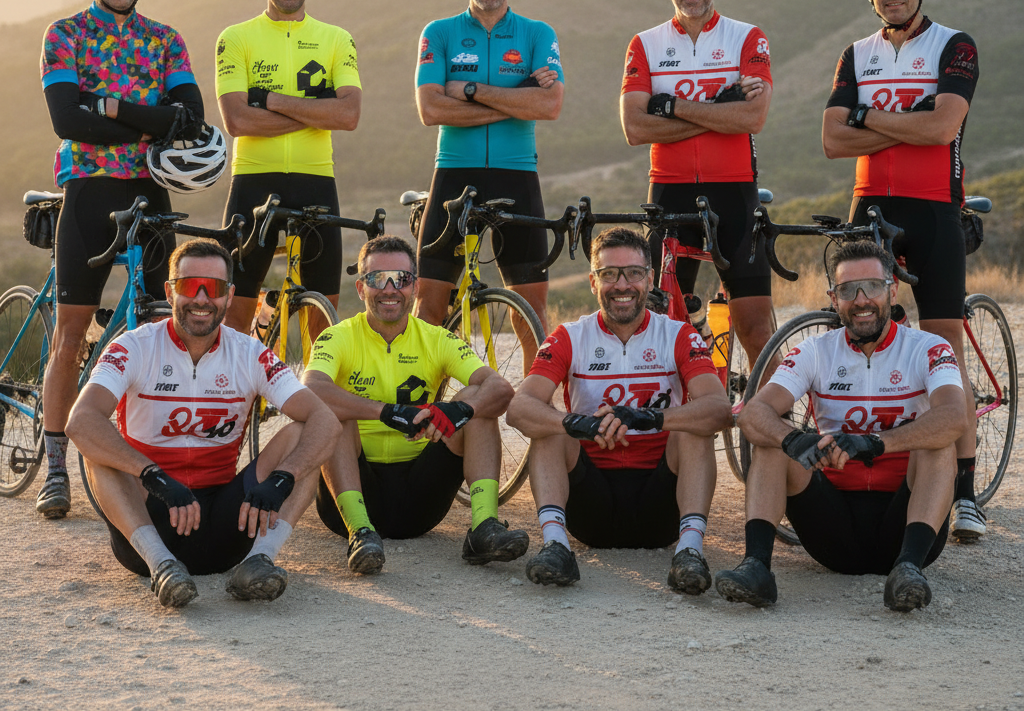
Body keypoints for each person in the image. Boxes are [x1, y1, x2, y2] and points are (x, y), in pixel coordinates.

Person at [65, 240, 339, 607]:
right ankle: (162, 567)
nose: (201, 298)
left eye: (213, 289)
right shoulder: (135, 346)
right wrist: (153, 475)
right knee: (95, 447)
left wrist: (282, 478)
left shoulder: (250, 353)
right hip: (151, 516)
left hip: (225, 526)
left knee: (306, 435)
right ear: (169, 291)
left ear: (229, 296)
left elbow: (326, 420)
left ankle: (260, 560)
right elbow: (80, 421)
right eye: (188, 286)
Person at [36, 0, 204, 520]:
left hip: (150, 194)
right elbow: (67, 121)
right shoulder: (65, 34)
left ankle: (158, 455)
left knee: (161, 323)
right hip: (86, 191)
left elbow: (190, 117)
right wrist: (148, 122)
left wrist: (109, 107)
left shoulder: (165, 40)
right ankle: (56, 466)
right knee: (72, 332)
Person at [822, 0, 983, 541]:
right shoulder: (855, 54)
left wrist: (869, 117)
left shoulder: (954, 46)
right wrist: (905, 122)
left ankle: (964, 491)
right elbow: (834, 141)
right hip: (869, 208)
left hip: (935, 208)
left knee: (943, 346)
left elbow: (943, 128)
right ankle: (866, 463)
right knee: (857, 333)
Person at [715, 241, 963, 612]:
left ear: (892, 290)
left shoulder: (928, 347)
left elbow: (955, 417)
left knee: (939, 442)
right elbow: (753, 413)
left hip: (907, 522)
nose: (861, 299)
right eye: (848, 290)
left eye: (873, 287)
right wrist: (795, 440)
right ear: (834, 298)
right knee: (771, 439)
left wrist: (876, 443)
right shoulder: (816, 350)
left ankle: (909, 569)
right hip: (834, 529)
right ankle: (756, 569)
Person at [506, 228, 731, 591]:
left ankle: (690, 551)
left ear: (649, 278)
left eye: (634, 273)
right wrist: (575, 423)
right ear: (593, 281)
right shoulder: (570, 336)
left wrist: (652, 418)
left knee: (694, 428)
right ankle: (556, 545)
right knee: (548, 427)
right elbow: (519, 409)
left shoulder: (678, 334)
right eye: (609, 274)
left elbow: (719, 408)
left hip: (661, 507)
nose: (622, 285)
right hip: (591, 506)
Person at [303, 234, 530, 573]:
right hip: (352, 490)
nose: (390, 289)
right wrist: (386, 412)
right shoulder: (338, 337)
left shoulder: (436, 338)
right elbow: (312, 389)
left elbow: (499, 389)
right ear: (360, 287)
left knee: (476, 400)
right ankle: (360, 532)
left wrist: (459, 411)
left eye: (402, 279)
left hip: (420, 499)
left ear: (415, 286)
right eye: (378, 279)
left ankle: (483, 527)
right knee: (335, 413)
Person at [619, 0, 775, 368]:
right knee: (659, 325)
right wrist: (718, 107)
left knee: (755, 329)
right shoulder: (644, 44)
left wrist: (670, 109)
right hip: (669, 194)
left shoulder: (747, 37)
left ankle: (774, 431)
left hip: (734, 192)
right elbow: (634, 126)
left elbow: (751, 119)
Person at [413, 0, 564, 343]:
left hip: (517, 175)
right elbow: (430, 109)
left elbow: (549, 106)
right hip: (453, 175)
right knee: (429, 306)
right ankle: (423, 404)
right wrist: (517, 98)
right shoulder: (438, 33)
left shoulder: (538, 34)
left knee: (531, 310)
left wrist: (471, 92)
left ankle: (535, 405)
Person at [216, 0, 361, 338]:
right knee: (233, 319)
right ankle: (236, 402)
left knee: (323, 326)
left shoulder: (336, 39)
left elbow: (348, 115)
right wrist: (318, 113)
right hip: (252, 183)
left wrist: (274, 101)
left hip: (316, 181)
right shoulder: (236, 38)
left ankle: (313, 401)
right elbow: (238, 122)